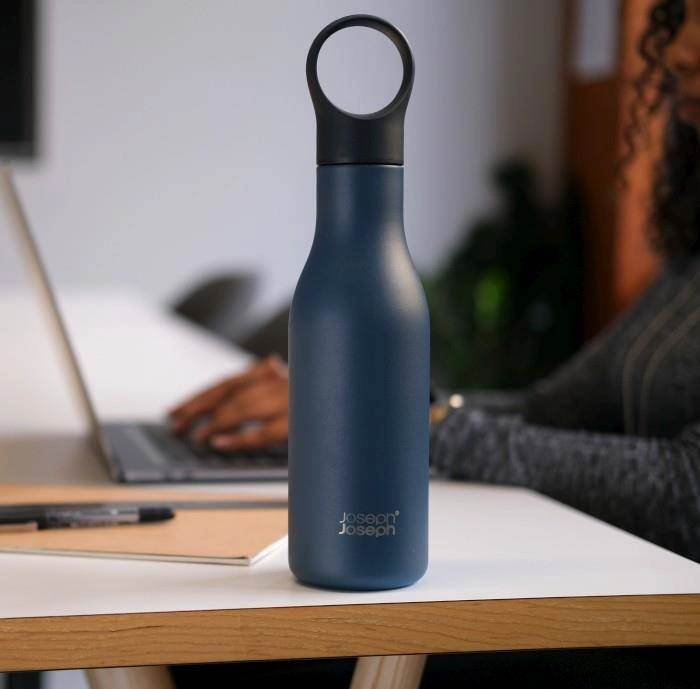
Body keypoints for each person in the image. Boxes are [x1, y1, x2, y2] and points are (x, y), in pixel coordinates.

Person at [169, 2, 699, 686]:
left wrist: (413, 426)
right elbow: (554, 407)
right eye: (680, 14)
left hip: (657, 631)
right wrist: (392, 410)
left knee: (231, 658)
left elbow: (687, 492)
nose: (680, 48)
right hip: (613, 581)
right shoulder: (688, 258)